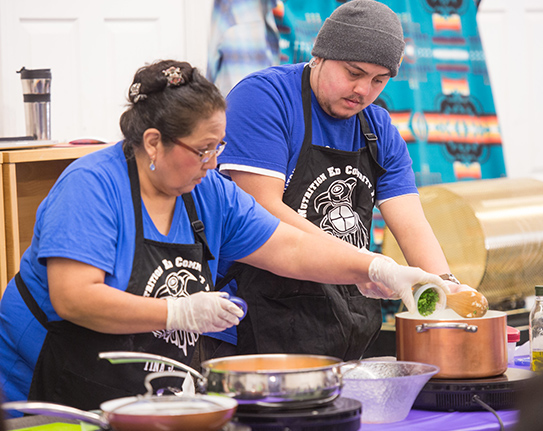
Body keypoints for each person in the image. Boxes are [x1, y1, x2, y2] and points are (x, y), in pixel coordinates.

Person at [0, 59, 446, 414]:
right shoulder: (92, 187)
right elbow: (73, 298)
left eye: (219, 147)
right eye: (202, 150)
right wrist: (178, 312)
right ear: (153, 143)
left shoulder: (209, 192)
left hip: (142, 392)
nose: (214, 162)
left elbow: (288, 247)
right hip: (48, 388)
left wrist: (375, 267)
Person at [216, 0, 473, 360]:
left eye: (378, 80)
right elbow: (262, 211)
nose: (363, 91)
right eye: (354, 73)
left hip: (339, 325)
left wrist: (449, 291)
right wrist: (368, 265)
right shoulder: (265, 99)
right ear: (319, 55)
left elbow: (413, 225)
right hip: (252, 322)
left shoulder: (379, 129)